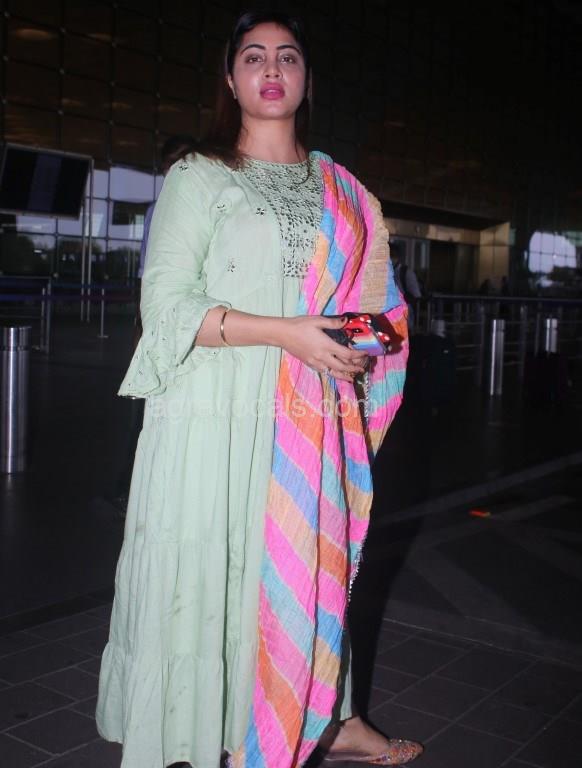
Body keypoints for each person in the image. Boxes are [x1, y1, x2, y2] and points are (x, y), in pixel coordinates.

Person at [96, 11, 421, 768]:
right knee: (217, 578)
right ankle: (203, 727)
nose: (271, 69)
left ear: (307, 78)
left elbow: (378, 310)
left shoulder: (342, 191)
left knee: (309, 577)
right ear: (230, 78)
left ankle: (328, 720)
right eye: (253, 56)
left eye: (287, 56)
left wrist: (357, 345)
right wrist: (289, 333)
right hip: (215, 418)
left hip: (309, 418)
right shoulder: (199, 175)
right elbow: (166, 308)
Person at [390, 243, 422, 331]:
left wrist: (400, 299)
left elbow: (416, 296)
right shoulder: (384, 272)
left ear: (398, 257)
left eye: (392, 255)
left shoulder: (406, 273)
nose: (390, 258)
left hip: (404, 319)